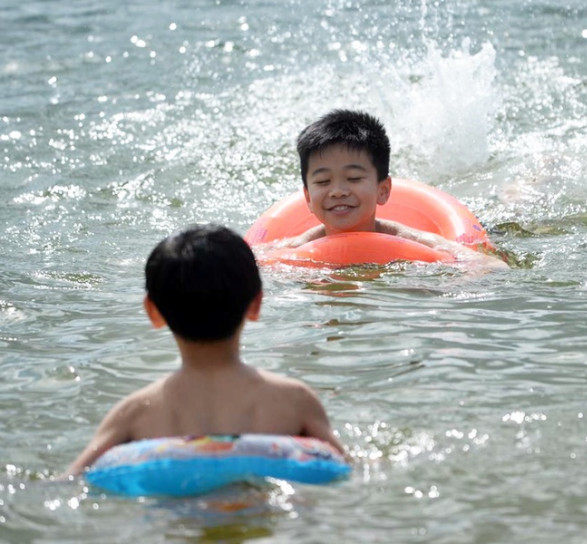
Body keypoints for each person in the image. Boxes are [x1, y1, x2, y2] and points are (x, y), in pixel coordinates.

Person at [66, 224, 344, 475]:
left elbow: (72, 477)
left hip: (178, 521)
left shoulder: (136, 412)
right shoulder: (293, 400)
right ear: (256, 304)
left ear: (153, 312)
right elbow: (345, 466)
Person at [276, 109, 508, 268]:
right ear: (307, 197)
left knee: (507, 218)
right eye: (323, 182)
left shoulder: (410, 239)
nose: (337, 191)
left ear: (383, 190)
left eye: (354, 178)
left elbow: (490, 265)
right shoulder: (297, 247)